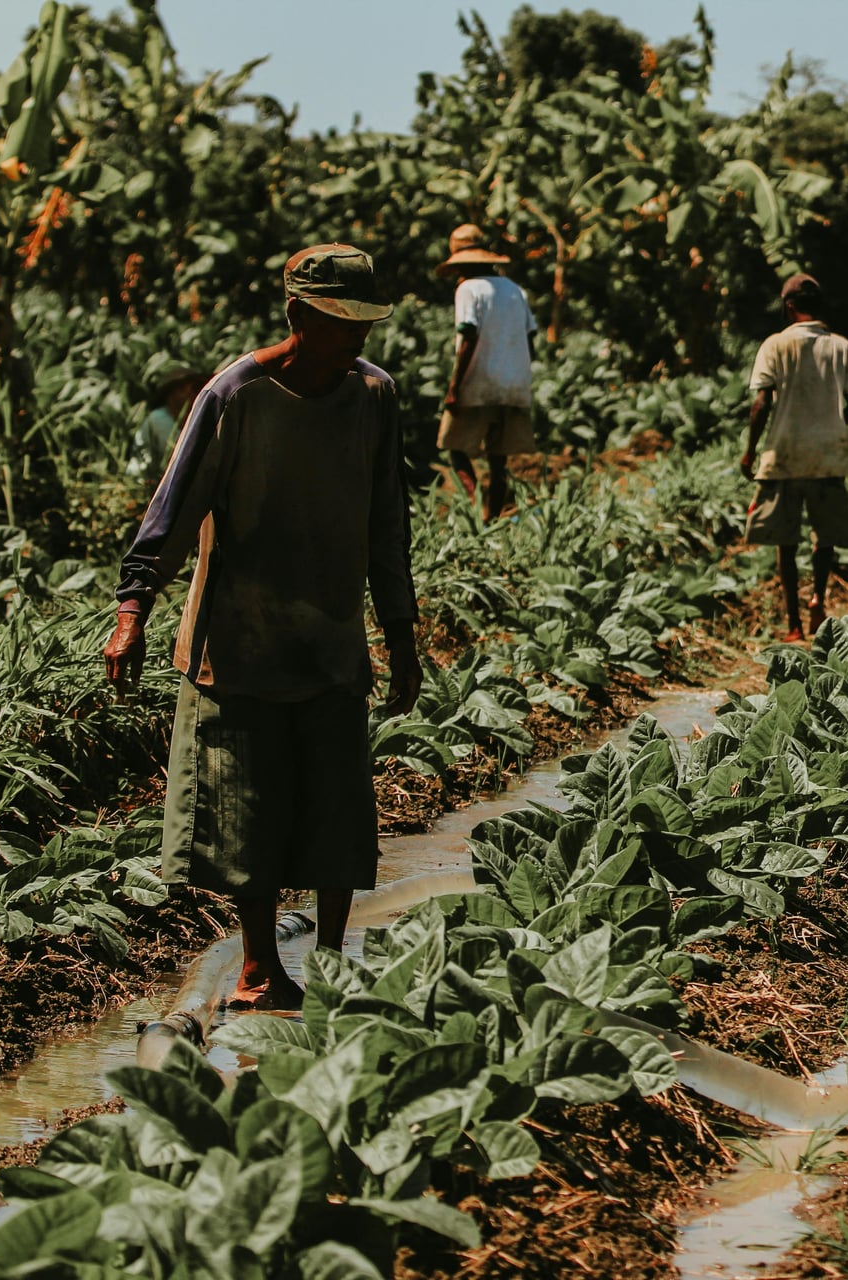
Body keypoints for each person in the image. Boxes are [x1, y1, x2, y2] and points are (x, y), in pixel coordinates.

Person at [102, 243, 422, 1011]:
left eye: (364, 324)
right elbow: (173, 511)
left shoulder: (373, 396)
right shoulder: (235, 395)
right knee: (248, 815)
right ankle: (257, 967)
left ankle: (333, 964)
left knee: (339, 813)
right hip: (239, 644)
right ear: (298, 316)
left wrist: (402, 634)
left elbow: (388, 524)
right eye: (342, 323)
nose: (358, 339)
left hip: (332, 638)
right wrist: (132, 610)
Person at [740, 273, 848, 642]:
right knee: (824, 535)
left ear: (789, 305)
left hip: (784, 454)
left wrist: (750, 452)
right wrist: (832, 424)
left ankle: (794, 623)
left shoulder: (775, 346)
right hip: (829, 456)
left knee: (786, 539)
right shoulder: (842, 347)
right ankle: (818, 598)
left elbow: (761, 403)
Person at [437, 224, 539, 521]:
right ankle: (493, 515)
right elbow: (530, 338)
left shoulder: (467, 289)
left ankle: (474, 506)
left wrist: (455, 387)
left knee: (453, 446)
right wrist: (517, 369)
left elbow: (468, 336)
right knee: (498, 459)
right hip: (514, 384)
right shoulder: (514, 290)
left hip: (477, 382)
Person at [131, 363, 205, 485]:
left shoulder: (187, 417)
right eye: (185, 388)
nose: (192, 393)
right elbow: (180, 457)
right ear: (171, 394)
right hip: (144, 483)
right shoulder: (159, 418)